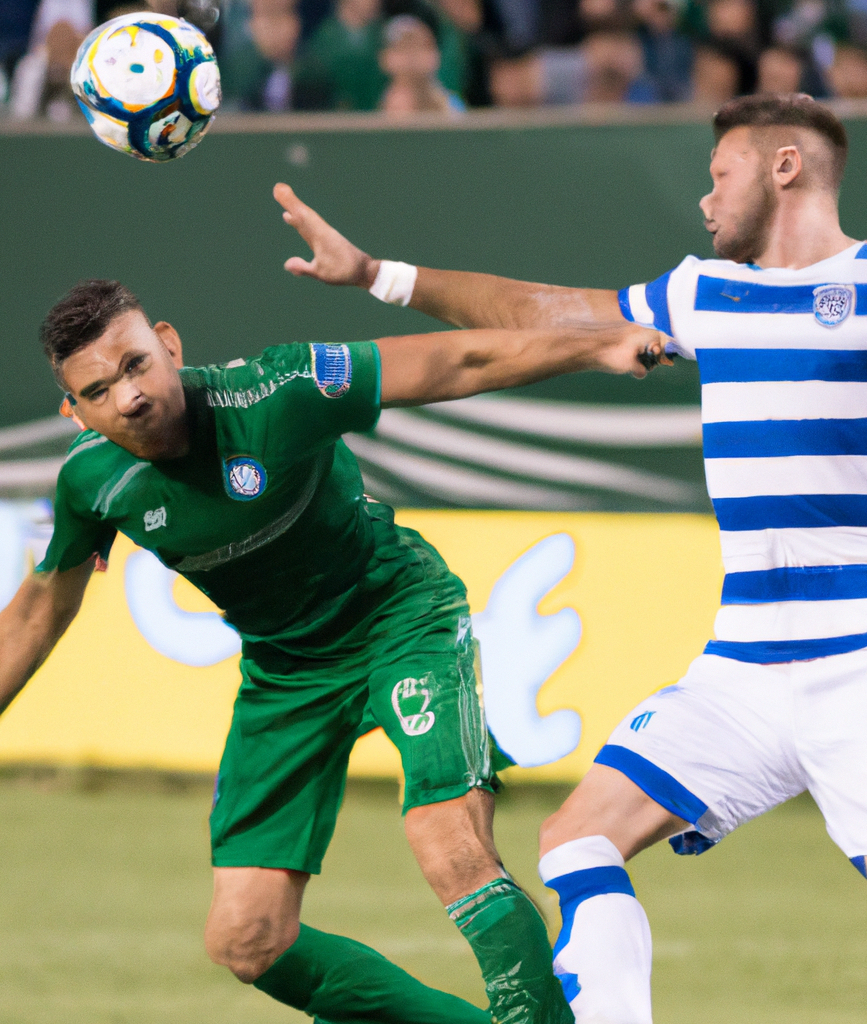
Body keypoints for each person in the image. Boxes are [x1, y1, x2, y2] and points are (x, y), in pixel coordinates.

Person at [290, 92, 867, 1024]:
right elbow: (540, 313)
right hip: (743, 667)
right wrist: (382, 276)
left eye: (721, 176)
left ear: (785, 167)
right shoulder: (699, 295)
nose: (706, 201)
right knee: (575, 837)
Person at [0, 184, 671, 1024]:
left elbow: (455, 363)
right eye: (99, 391)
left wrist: (596, 348)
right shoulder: (93, 484)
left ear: (167, 344)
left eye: (136, 364)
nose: (129, 396)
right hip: (286, 672)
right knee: (247, 940)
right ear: (77, 412)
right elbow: (34, 613)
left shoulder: (278, 391)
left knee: (447, 842)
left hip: (398, 615)